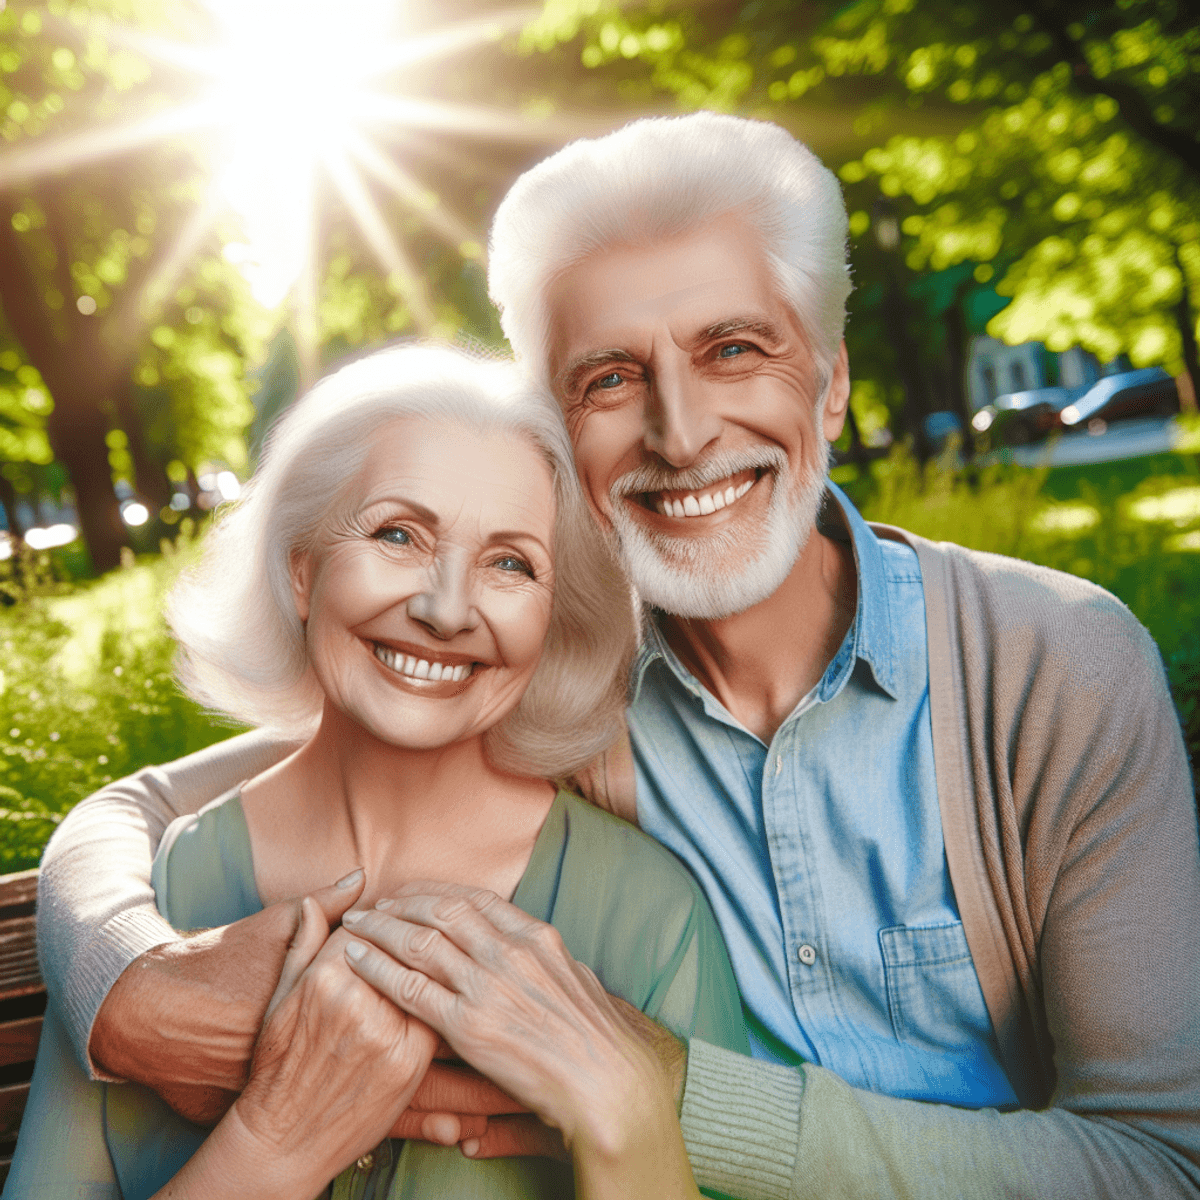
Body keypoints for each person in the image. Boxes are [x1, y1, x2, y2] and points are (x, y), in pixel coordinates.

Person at [33, 113, 1200, 1198]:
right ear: (558, 437)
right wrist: (123, 976)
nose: (681, 433)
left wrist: (669, 1096)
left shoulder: (1053, 666)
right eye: (611, 377)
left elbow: (1161, 1162)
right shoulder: (552, 684)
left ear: (832, 384)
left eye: (733, 349)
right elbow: (181, 798)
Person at [5, 343, 749, 1198]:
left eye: (511, 563)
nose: (446, 609)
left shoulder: (651, 918)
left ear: (552, 619)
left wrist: (625, 1121)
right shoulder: (159, 903)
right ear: (302, 571)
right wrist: (271, 1146)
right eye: (398, 534)